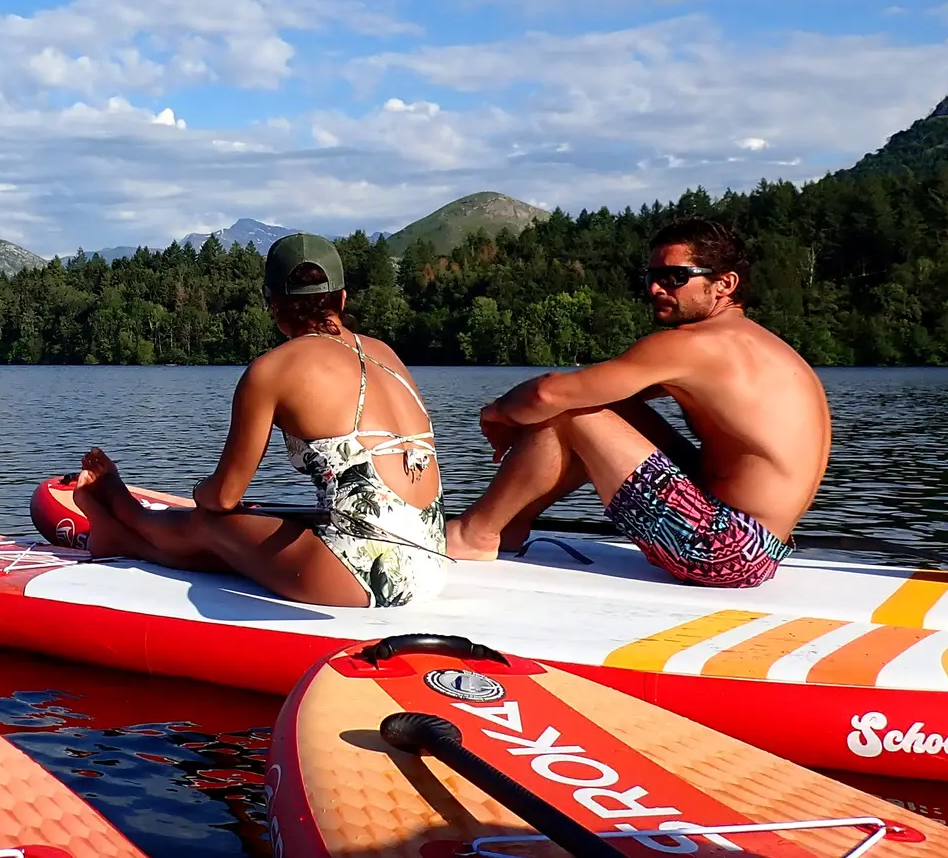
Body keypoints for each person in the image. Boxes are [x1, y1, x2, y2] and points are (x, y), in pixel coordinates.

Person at [442, 217, 831, 588]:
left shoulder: (692, 345)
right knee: (598, 403)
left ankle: (474, 533)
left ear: (724, 284)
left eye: (675, 277)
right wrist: (531, 410)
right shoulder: (758, 346)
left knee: (573, 409)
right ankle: (508, 525)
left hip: (723, 553)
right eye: (651, 277)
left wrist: (494, 413)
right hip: (761, 548)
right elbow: (603, 393)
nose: (656, 289)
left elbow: (548, 394)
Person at [71, 233, 449, 608]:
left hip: (369, 576)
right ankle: (126, 526)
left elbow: (223, 496)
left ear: (272, 303)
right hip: (431, 560)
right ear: (342, 298)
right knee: (256, 527)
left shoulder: (271, 371)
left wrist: (200, 494)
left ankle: (123, 522)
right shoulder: (386, 354)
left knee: (211, 524)